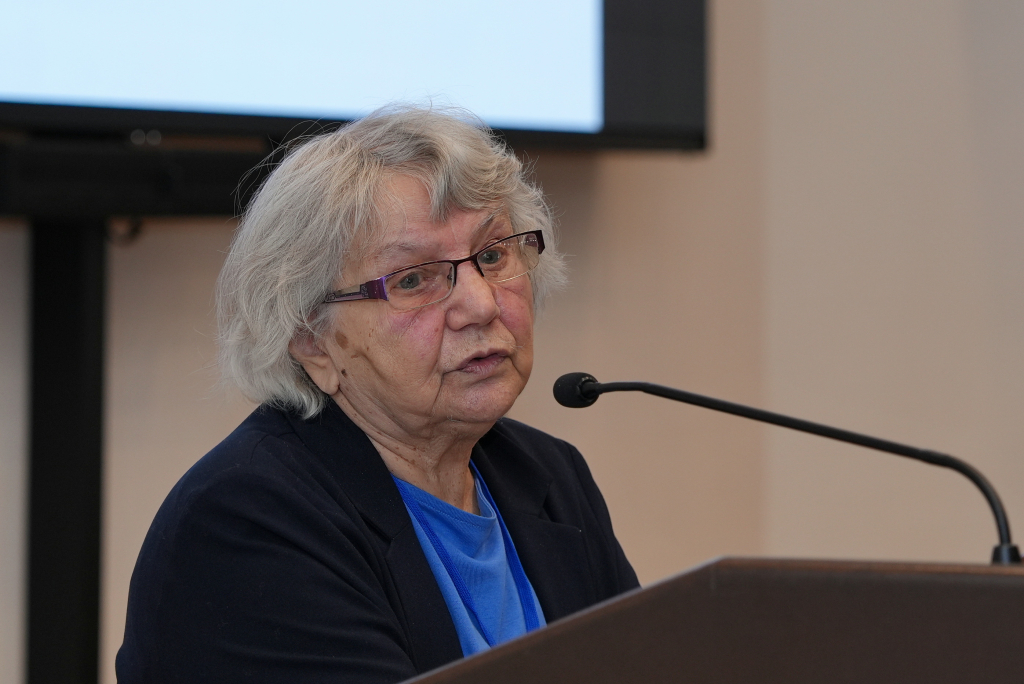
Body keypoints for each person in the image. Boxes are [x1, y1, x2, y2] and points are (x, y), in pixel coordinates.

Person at [116, 105, 638, 683]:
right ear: (312, 339)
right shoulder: (246, 522)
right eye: (413, 279)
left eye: (492, 255)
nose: (481, 305)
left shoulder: (549, 475)